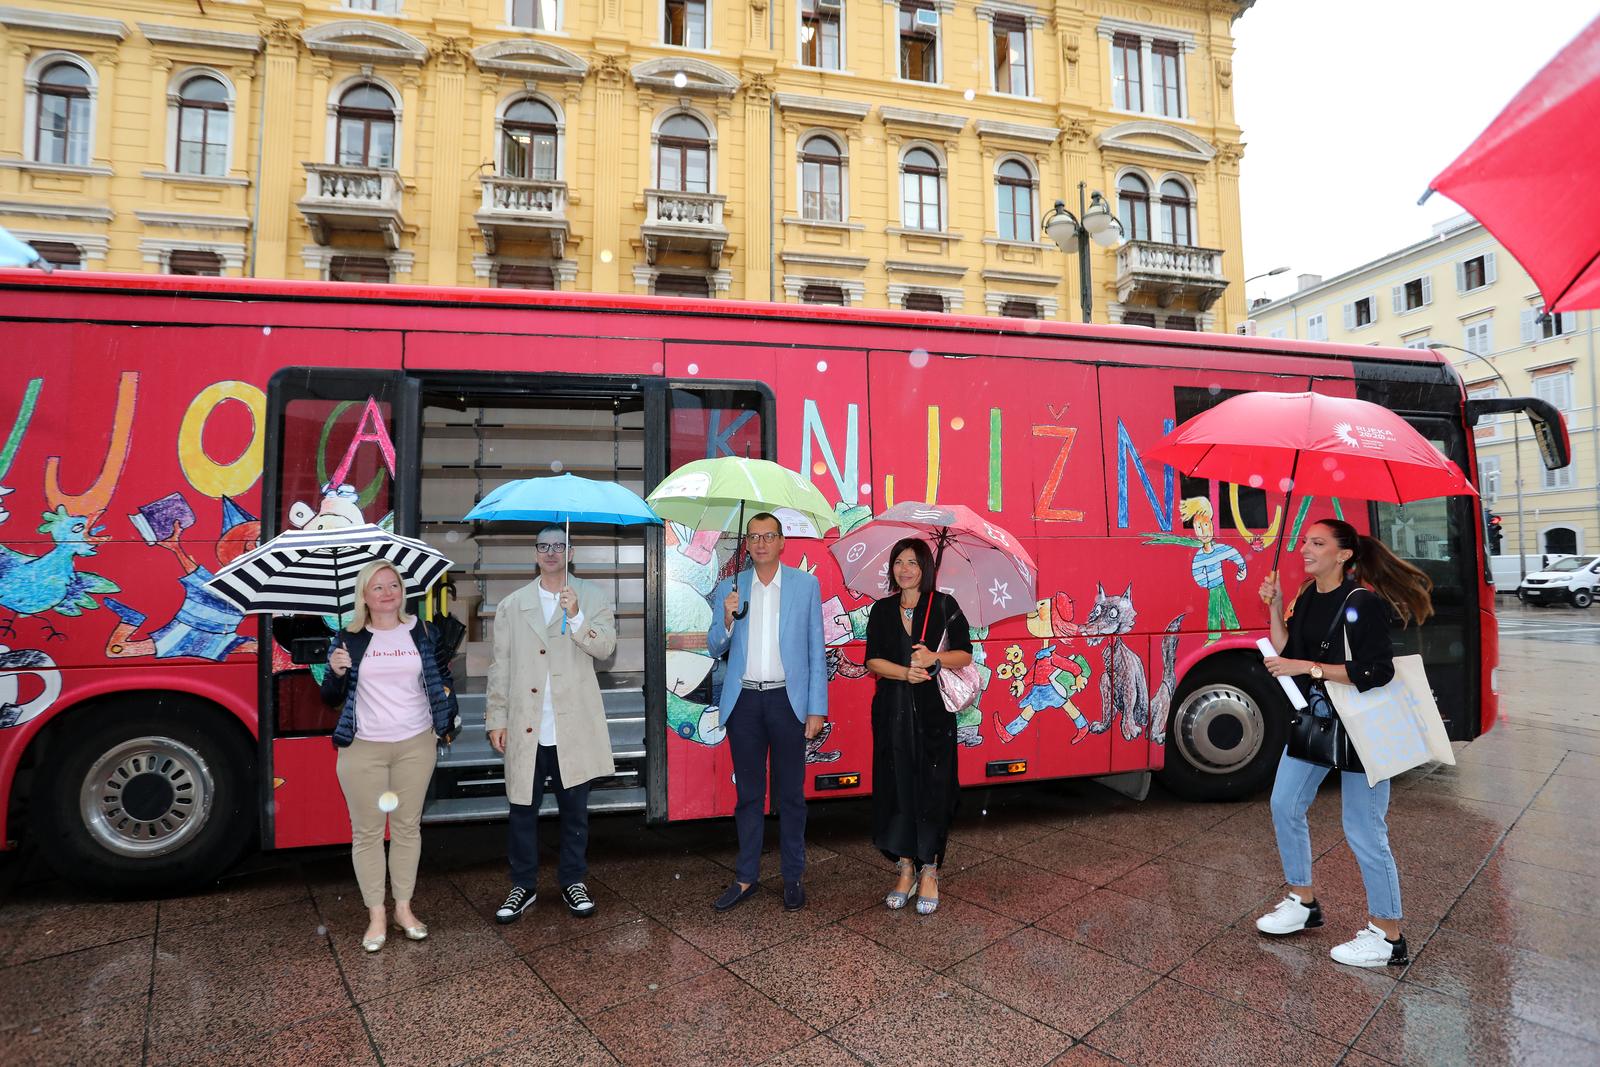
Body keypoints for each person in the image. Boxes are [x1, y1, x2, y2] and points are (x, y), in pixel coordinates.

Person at [1255, 518, 1434, 968]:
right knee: (1284, 804)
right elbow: (1286, 651)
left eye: (1317, 543)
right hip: (1318, 720)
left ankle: (1388, 936)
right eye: (1304, 543)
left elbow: (1377, 671)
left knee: (1364, 829)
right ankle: (1302, 902)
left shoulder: (1362, 603)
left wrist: (1309, 668)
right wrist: (1274, 607)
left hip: (1363, 725)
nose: (1305, 550)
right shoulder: (1309, 596)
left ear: (1344, 554)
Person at [322, 560, 459, 953]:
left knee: (406, 828)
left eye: (393, 586)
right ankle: (376, 914)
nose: (387, 593)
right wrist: (335, 671)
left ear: (402, 591)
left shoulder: (423, 631)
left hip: (415, 745)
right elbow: (330, 698)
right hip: (363, 748)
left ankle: (403, 908)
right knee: (366, 833)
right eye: (377, 587)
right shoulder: (346, 639)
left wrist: (443, 710)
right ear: (364, 595)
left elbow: (441, 679)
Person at [486, 526, 617, 922]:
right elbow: (501, 665)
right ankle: (522, 885)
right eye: (544, 547)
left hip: (570, 723)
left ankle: (573, 880)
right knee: (522, 808)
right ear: (535, 553)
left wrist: (575, 616)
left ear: (571, 551)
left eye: (559, 546)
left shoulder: (591, 598)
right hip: (526, 722)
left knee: (574, 810)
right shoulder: (513, 604)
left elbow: (606, 648)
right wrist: (496, 717)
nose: (551, 553)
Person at [705, 512, 827, 912]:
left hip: (787, 703)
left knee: (791, 796)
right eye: (754, 536)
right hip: (745, 704)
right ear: (748, 543)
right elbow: (714, 648)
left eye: (768, 536)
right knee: (748, 797)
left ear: (781, 543)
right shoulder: (730, 586)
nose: (760, 543)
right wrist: (725, 618)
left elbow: (815, 651)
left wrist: (816, 709)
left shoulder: (804, 585)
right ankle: (745, 878)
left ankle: (793, 877)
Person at [864, 538, 973, 915]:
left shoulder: (944, 605)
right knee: (897, 787)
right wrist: (905, 673)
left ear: (926, 567)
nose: (905, 569)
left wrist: (933, 657)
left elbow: (965, 654)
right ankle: (905, 867)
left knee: (932, 788)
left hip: (933, 717)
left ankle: (930, 869)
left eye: (912, 562)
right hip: (892, 713)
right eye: (898, 562)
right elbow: (872, 661)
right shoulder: (881, 610)